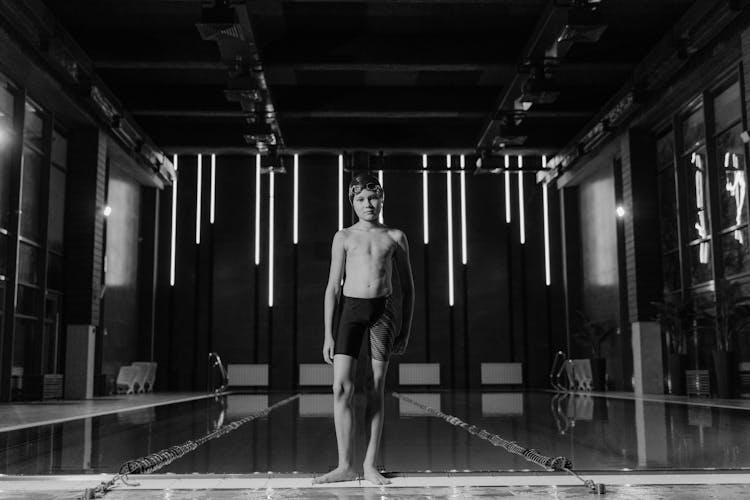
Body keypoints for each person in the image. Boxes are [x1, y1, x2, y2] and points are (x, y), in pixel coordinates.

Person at [315, 173, 415, 486]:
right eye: (360, 199)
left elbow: (409, 289)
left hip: (382, 315)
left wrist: (406, 331)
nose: (367, 204)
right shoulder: (343, 237)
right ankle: (345, 465)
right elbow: (332, 287)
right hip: (350, 313)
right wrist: (328, 334)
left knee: (375, 388)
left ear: (382, 199)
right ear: (353, 203)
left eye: (372, 198)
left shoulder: (395, 236)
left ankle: (369, 465)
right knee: (340, 388)